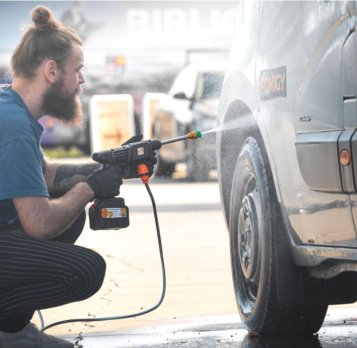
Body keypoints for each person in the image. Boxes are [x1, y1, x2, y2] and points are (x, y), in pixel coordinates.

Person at [0, 5, 155, 348]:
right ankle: (6, 334)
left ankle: (10, 328)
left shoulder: (9, 107)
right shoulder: (11, 124)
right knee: (85, 270)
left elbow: (40, 173)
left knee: (69, 218)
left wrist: (101, 170)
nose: (82, 80)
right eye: (78, 69)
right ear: (52, 71)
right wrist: (88, 188)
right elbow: (38, 223)